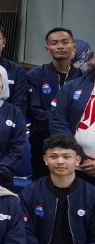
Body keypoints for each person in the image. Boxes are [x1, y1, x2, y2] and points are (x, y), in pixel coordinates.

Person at [27, 27, 81, 179]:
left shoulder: (84, 78)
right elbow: (34, 111)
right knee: (42, 185)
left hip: (76, 143)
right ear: (47, 48)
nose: (60, 46)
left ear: (74, 46)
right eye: (54, 43)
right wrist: (62, 122)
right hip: (42, 141)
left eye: (65, 42)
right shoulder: (34, 75)